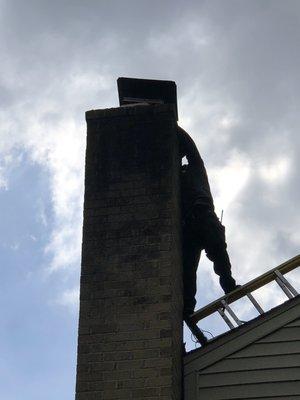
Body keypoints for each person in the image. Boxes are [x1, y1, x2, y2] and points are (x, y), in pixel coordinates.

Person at [178, 126, 238, 317]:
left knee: (218, 248)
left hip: (203, 215)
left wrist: (172, 124)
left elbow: (190, 148)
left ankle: (228, 285)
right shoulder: (173, 179)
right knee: (188, 269)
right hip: (187, 226)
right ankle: (187, 307)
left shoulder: (196, 167)